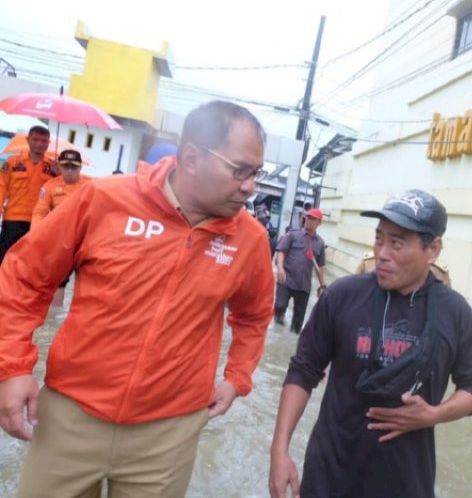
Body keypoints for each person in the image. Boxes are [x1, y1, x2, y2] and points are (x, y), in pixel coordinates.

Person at [0, 100, 275, 497]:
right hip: (69, 417)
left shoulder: (250, 240)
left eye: (257, 173)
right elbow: (24, 276)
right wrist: (12, 367)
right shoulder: (105, 200)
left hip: (168, 436)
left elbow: (254, 316)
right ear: (192, 157)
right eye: (240, 171)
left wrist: (237, 378)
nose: (251, 187)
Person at [269, 189, 472, 498]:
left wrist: (433, 414)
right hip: (329, 475)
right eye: (379, 238)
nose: (382, 253)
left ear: (433, 249)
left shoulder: (455, 313)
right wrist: (279, 451)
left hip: (404, 482)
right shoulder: (341, 296)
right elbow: (303, 371)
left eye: (397, 242)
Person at [31, 149, 93, 306]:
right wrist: (37, 238)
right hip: (60, 242)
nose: (70, 170)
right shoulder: (50, 187)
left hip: (85, 242)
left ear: (80, 168)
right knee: (59, 283)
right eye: (66, 166)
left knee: (87, 284)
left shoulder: (92, 186)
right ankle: (54, 319)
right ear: (59, 166)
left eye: (74, 166)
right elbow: (39, 214)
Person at [0, 125, 58, 266]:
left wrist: (59, 174)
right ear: (28, 140)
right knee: (5, 260)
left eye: (44, 141)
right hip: (13, 219)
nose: (39, 144)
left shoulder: (53, 167)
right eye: (35, 139)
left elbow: (60, 193)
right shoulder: (12, 162)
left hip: (39, 222)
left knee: (30, 263)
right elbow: (1, 188)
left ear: (48, 143)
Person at [274, 208, 326, 333]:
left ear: (319, 223)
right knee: (279, 306)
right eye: (307, 217)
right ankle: (278, 325)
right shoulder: (293, 234)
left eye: (312, 219)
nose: (308, 220)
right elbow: (282, 251)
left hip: (304, 286)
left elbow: (320, 267)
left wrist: (322, 285)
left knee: (297, 324)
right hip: (286, 279)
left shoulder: (320, 243)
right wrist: (280, 268)